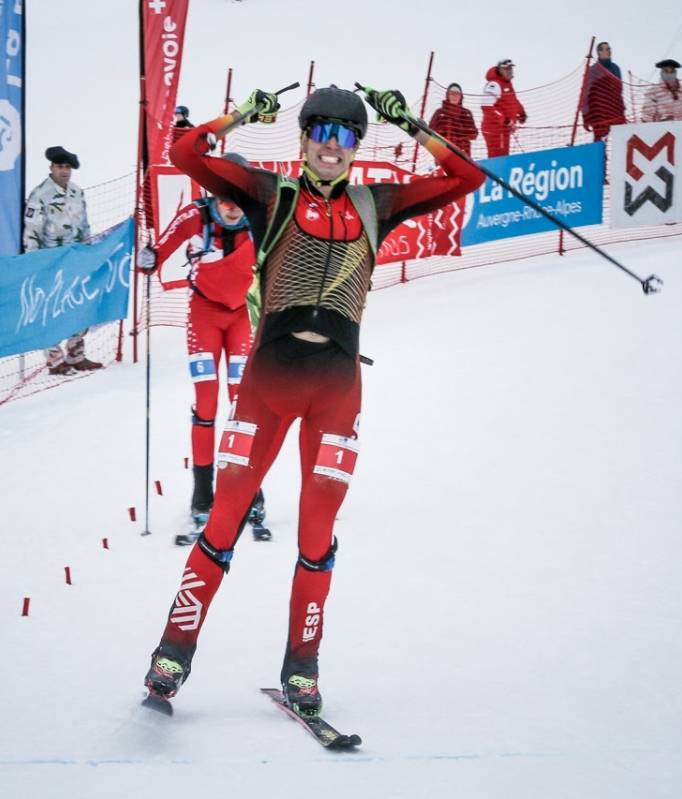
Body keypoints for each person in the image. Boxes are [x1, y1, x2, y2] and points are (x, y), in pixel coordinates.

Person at [142, 85, 484, 717]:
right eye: (322, 130)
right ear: (302, 138)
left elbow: (465, 175)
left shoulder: (375, 201)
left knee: (317, 531)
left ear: (357, 146)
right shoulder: (273, 194)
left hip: (336, 389)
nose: (333, 143)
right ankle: (173, 650)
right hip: (268, 383)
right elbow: (185, 151)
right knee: (225, 521)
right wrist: (242, 114)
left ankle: (303, 667)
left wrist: (410, 124)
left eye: (347, 133)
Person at [139, 154, 269, 538]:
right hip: (204, 316)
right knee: (208, 403)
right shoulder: (195, 216)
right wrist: (149, 259)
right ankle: (202, 496)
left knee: (243, 403)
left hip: (241, 317)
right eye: (224, 198)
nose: (231, 208)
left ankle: (252, 491)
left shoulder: (260, 220)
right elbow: (158, 253)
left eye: (238, 198)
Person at [24, 146, 102, 375]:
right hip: (50, 262)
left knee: (80, 306)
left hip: (75, 260)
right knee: (49, 311)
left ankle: (76, 355)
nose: (64, 171)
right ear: (51, 168)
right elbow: (31, 233)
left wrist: (88, 255)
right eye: (60, 167)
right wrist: (34, 264)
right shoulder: (39, 195)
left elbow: (84, 226)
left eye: (68, 167)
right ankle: (56, 361)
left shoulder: (77, 192)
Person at [480, 60, 527, 158]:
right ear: (500, 70)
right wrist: (504, 119)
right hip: (494, 129)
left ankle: (500, 172)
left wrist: (521, 113)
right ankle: (493, 172)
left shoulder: (507, 84)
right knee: (497, 157)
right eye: (506, 69)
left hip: (505, 129)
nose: (509, 71)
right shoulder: (494, 84)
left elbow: (513, 101)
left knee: (504, 156)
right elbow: (486, 107)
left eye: (510, 68)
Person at [581, 41, 627, 141]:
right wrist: (585, 115)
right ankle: (601, 156)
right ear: (599, 52)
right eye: (606, 49)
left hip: (615, 110)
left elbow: (619, 89)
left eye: (609, 49)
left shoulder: (615, 68)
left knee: (622, 137)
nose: (609, 51)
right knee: (600, 140)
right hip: (599, 112)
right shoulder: (593, 70)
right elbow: (585, 94)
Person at [427, 82, 478, 157]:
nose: (454, 96)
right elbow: (430, 132)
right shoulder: (439, 113)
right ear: (447, 95)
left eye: (457, 94)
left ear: (461, 96)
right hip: (443, 154)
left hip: (463, 155)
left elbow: (474, 135)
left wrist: (463, 132)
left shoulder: (466, 113)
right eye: (452, 93)